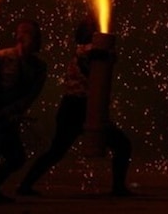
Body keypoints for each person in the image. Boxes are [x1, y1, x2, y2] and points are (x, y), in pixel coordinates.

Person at [16, 18, 132, 197]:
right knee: (59, 151)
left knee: (58, 151)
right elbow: (95, 53)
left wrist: (108, 54)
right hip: (76, 107)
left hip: (80, 107)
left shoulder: (87, 51)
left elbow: (102, 57)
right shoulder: (84, 50)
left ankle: (25, 185)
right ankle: (118, 188)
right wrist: (106, 52)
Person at [0, 19, 47, 204]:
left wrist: (12, 111)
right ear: (21, 38)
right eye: (32, 36)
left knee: (15, 158)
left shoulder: (39, 67)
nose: (37, 41)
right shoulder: (0, 58)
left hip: (8, 118)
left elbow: (30, 95)